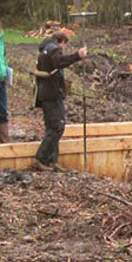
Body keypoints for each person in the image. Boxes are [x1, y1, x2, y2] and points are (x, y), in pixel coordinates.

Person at [31, 29, 88, 170]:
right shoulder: (54, 49)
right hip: (53, 94)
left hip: (45, 94)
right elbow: (60, 62)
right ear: (61, 42)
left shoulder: (44, 49)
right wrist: (77, 56)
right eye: (64, 46)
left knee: (52, 126)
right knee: (58, 127)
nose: (63, 49)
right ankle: (41, 158)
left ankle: (52, 160)